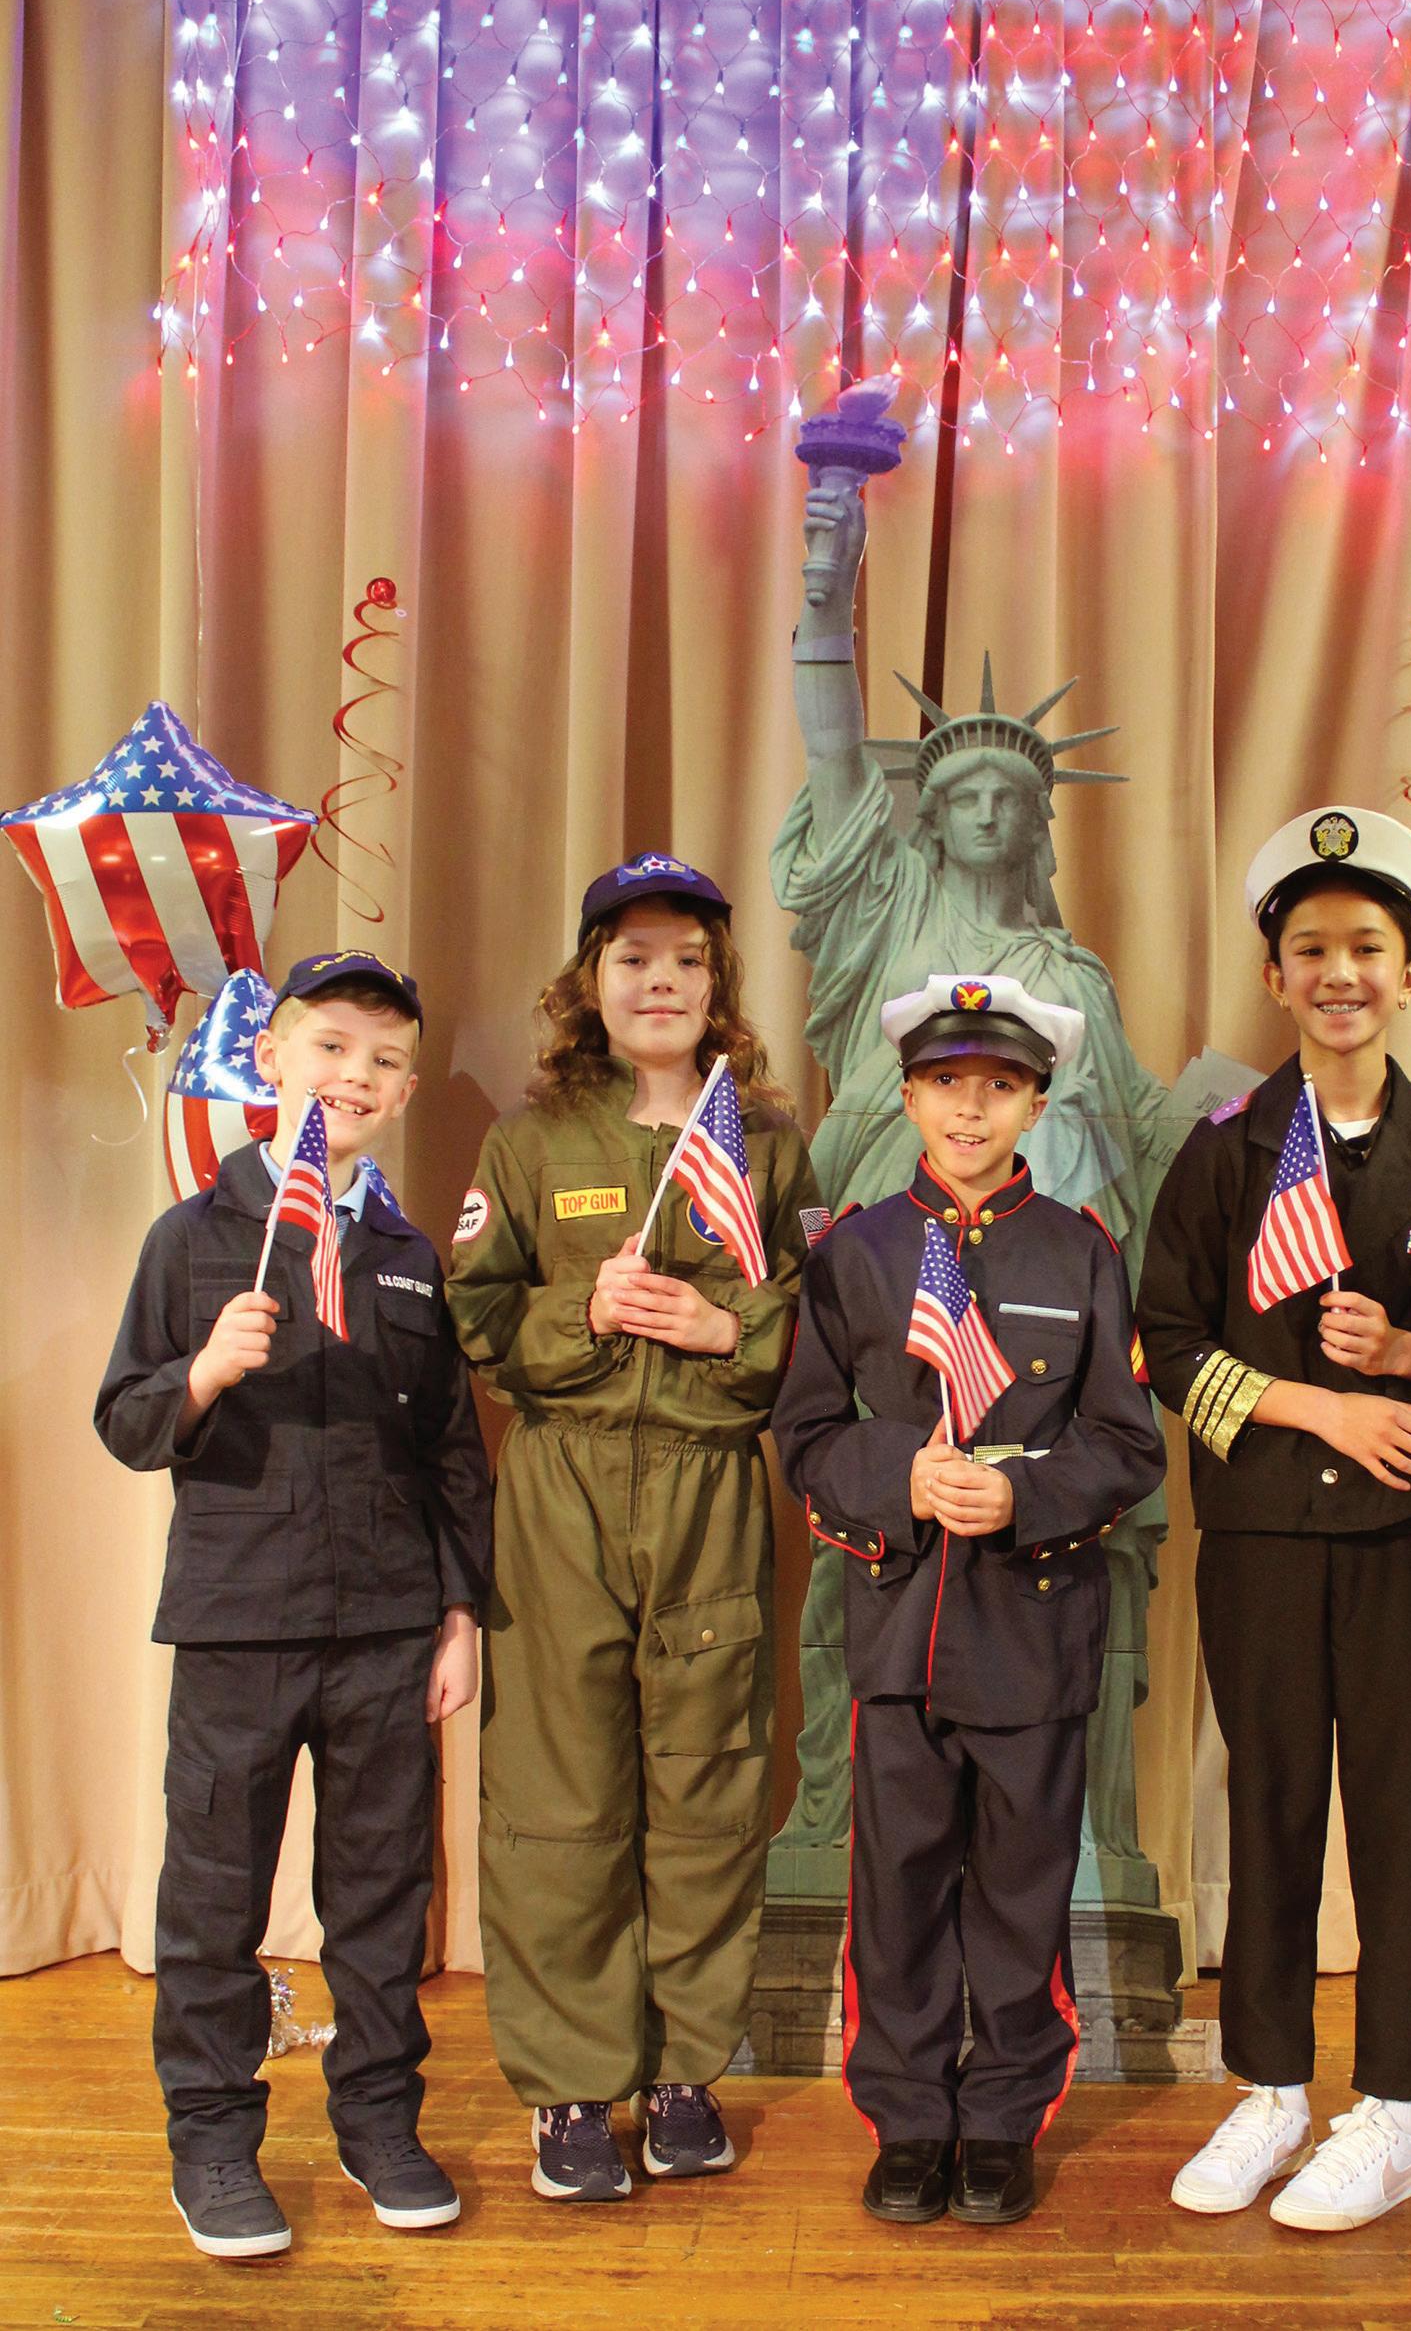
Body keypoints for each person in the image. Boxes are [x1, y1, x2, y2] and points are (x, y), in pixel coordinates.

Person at [771, 480, 1181, 1895]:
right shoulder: (886, 907)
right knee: (865, 1566)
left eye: (1014, 793)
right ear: (931, 819)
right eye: (963, 795)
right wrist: (825, 590)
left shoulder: (1076, 978)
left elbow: (1137, 1125)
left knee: (1071, 1588)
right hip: (896, 1291)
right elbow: (834, 755)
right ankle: (839, 1814)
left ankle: (1080, 1837)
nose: (991, 809)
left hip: (1053, 1320)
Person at [96, 951, 492, 2260]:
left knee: (379, 1899)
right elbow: (126, 1419)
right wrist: (204, 1372)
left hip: (385, 1629)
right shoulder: (192, 1237)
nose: (354, 1077)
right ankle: (212, 2143)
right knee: (214, 1900)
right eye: (330, 1047)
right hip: (237, 1623)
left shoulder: (409, 1255)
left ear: (407, 1087)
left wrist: (458, 1616)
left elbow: (450, 1453)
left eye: (384, 1060)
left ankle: (379, 2125)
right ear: (270, 1058)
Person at [1137, 807, 1411, 2233]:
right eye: (1309, 949)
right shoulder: (1225, 1150)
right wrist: (1318, 1409)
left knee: (1409, 1816)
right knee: (1272, 1806)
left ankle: (1395, 2112)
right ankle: (1272, 2087)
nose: (1338, 972)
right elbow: (1165, 1343)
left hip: (1407, 1545)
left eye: (1365, 947)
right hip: (1265, 1543)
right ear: (1273, 974)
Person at [446, 854, 820, 2203]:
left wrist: (727, 1327)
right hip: (562, 1491)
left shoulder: (763, 1142)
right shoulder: (529, 1142)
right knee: (558, 1794)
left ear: (718, 986)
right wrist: (580, 1312)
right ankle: (569, 2087)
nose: (661, 982)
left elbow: (822, 1318)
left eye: (687, 960)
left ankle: (682, 2074)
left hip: (712, 1490)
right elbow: (474, 1319)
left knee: (707, 1783)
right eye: (633, 958)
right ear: (588, 983)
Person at [772, 973, 1165, 2227]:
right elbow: (806, 1433)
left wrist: (1022, 1494)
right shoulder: (856, 1253)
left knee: (1017, 1894)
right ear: (906, 1097)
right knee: (894, 1895)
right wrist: (903, 1475)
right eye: (946, 1083)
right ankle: (906, 2118)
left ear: (1036, 1105)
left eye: (998, 1086)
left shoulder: (1081, 1250)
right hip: (898, 1627)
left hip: (1032, 1631)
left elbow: (1127, 1443)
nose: (969, 1108)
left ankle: (998, 2119)